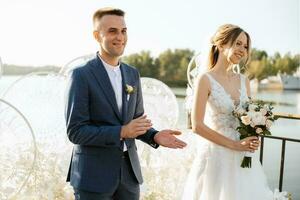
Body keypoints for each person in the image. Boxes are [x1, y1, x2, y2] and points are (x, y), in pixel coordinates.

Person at [65, 7, 187, 200]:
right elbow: (76, 132)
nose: (120, 37)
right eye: (112, 31)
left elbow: (136, 122)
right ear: (97, 35)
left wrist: (154, 136)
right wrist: (121, 131)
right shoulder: (81, 75)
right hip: (93, 177)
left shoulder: (132, 74)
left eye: (123, 31)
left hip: (129, 177)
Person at [182, 24, 288, 200]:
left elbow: (250, 117)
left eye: (245, 46)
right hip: (216, 157)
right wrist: (234, 145)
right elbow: (197, 126)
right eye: (238, 43)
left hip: (244, 158)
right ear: (222, 44)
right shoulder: (205, 79)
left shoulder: (244, 81)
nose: (242, 50)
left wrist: (255, 134)